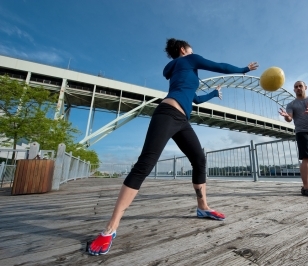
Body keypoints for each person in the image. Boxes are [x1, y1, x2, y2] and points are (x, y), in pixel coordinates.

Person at [88, 38, 259, 255]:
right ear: (183, 50)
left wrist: (214, 94)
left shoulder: (181, 71)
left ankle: (202, 207)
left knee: (199, 159)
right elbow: (220, 66)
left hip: (182, 119)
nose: (195, 53)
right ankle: (110, 229)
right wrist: (244, 69)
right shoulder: (188, 60)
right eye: (191, 50)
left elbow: (194, 99)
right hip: (168, 114)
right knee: (146, 163)